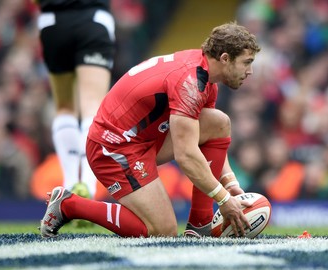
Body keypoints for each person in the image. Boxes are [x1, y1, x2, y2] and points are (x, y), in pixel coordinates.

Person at [40, 22, 261, 238]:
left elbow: (208, 140)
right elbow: (187, 156)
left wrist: (231, 185)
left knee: (218, 122)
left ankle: (200, 224)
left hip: (143, 138)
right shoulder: (191, 84)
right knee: (163, 230)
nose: (250, 71)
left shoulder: (205, 76)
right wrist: (223, 199)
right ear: (225, 59)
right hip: (113, 147)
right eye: (246, 62)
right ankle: (70, 205)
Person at [34, 0, 115, 199]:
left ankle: (69, 187)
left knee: (64, 108)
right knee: (93, 107)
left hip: (53, 21)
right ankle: (89, 186)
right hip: (93, 19)